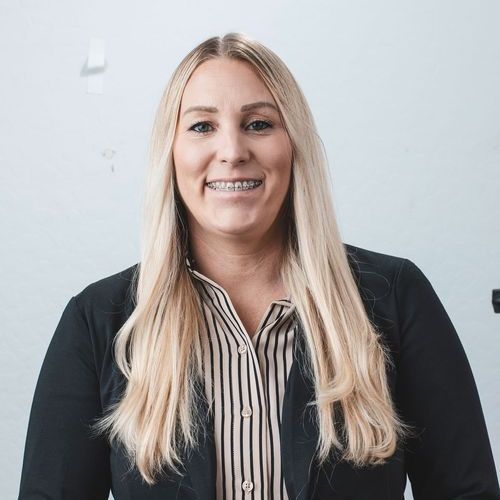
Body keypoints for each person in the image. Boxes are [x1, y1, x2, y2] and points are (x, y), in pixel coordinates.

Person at [18, 32, 500, 500]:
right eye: (202, 126)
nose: (232, 151)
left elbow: (466, 491)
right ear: (171, 153)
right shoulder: (98, 321)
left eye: (259, 124)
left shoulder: (395, 296)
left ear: (294, 146)